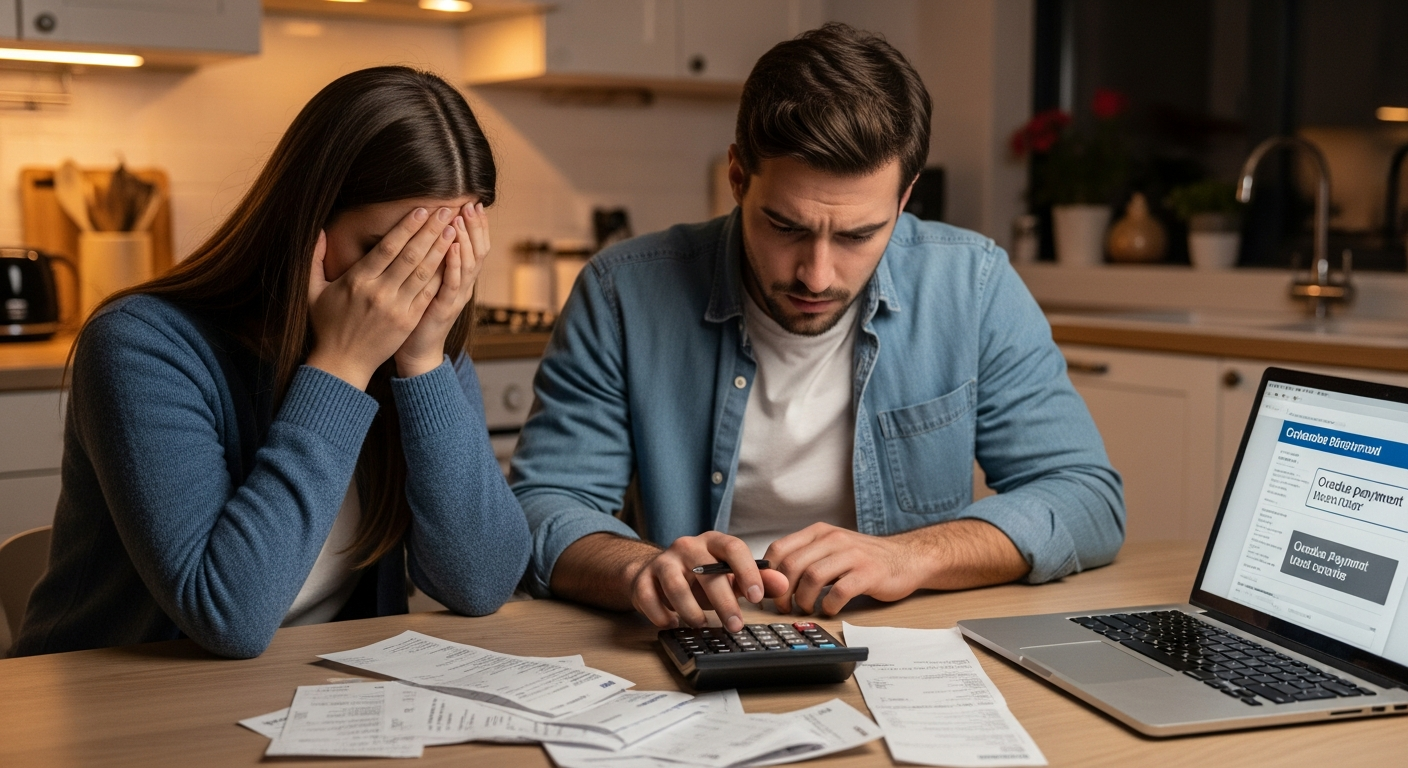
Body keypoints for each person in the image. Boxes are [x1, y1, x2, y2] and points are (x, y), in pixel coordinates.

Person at [511, 24, 1125, 634]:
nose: (817, 275)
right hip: (705, 637)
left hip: (904, 644)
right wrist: (642, 569)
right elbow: (543, 508)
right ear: (736, 178)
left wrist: (911, 555)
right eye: (785, 227)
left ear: (906, 197)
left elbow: (1086, 497)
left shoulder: (974, 284)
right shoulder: (622, 292)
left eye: (859, 235)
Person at [12, 67, 530, 659]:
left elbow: (483, 583)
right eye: (384, 252)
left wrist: (425, 363)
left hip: (306, 698)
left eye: (445, 255)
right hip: (115, 704)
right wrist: (340, 364)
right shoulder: (142, 347)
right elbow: (229, 617)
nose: (411, 289)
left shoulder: (421, 343)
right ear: (306, 221)